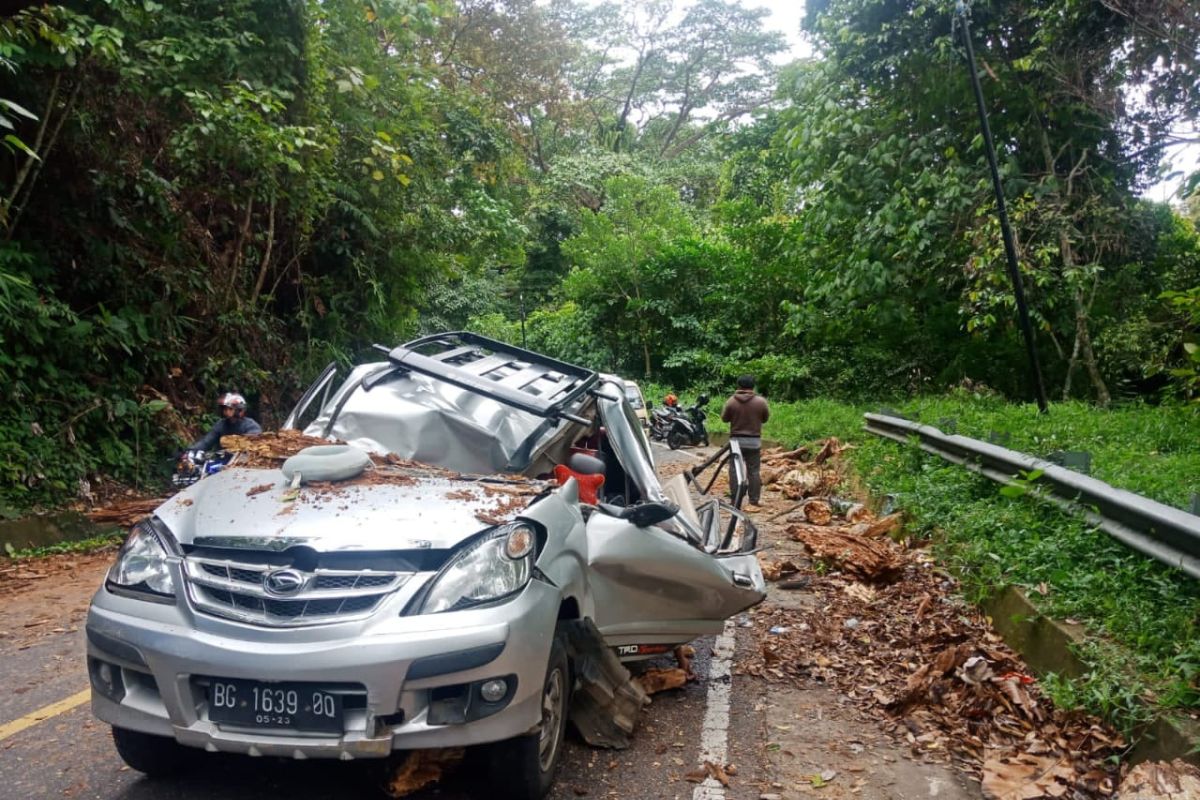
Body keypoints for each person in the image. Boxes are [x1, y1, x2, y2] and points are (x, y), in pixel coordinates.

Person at [721, 374, 769, 508]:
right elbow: (765, 419)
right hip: (754, 442)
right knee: (753, 471)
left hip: (736, 442)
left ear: (739, 385)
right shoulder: (761, 402)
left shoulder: (731, 401)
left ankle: (735, 500)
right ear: (753, 386)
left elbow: (724, 419)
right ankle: (754, 500)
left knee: (734, 470)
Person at [189, 392, 262, 452]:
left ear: (239, 410)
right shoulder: (221, 424)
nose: (227, 412)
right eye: (225, 409)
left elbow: (253, 441)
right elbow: (206, 442)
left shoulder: (250, 425)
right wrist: (191, 451)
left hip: (243, 462)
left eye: (230, 409)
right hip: (222, 461)